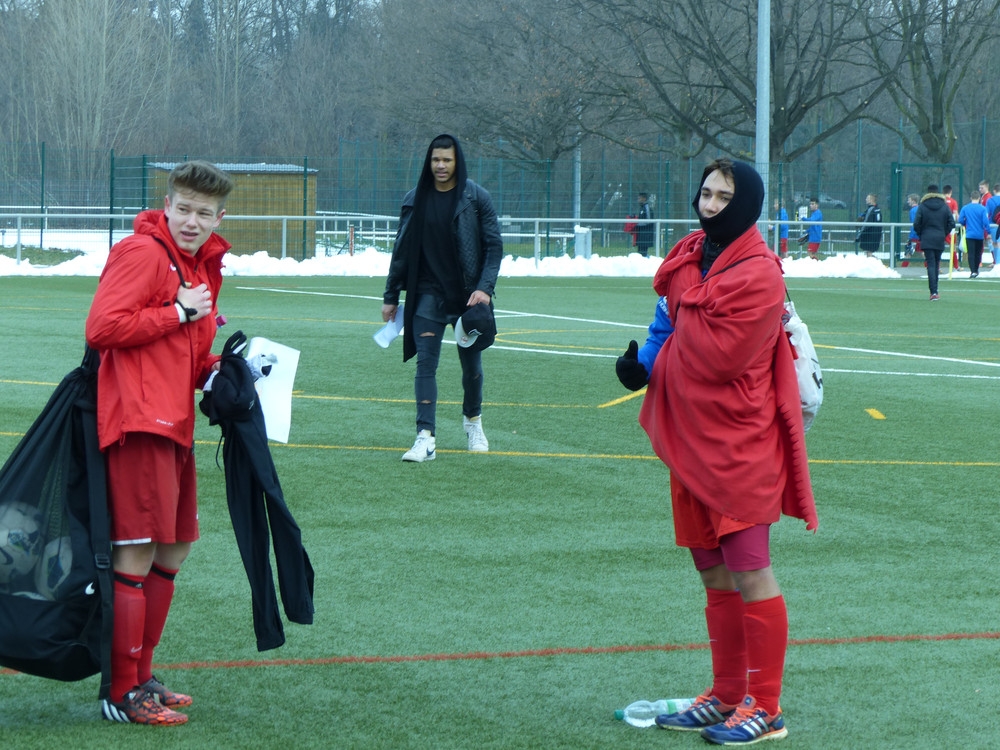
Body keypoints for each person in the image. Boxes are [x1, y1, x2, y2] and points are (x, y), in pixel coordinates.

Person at [614, 158, 817, 745]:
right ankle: (728, 693)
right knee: (713, 572)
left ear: (746, 203)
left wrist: (669, 352)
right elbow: (665, 328)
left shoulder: (760, 273)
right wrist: (641, 367)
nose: (710, 204)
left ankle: (767, 708)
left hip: (740, 442)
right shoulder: (686, 257)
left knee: (751, 571)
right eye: (705, 192)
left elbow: (717, 356)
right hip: (692, 439)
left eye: (724, 196)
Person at [86, 161, 235, 725]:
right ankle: (122, 691)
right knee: (138, 550)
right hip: (138, 421)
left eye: (205, 212)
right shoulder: (143, 253)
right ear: (166, 204)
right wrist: (176, 312)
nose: (192, 220)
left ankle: (142, 675)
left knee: (173, 551)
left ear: (221, 216)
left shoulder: (200, 267)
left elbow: (189, 356)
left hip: (175, 424)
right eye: (184, 208)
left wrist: (224, 371)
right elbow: (102, 327)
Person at [382, 134, 503, 462]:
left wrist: (485, 289)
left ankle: (473, 421)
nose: (441, 165)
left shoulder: (476, 198)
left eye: (447, 160)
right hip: (427, 296)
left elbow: (494, 247)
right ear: (429, 161)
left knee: (472, 367)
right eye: (436, 159)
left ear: (457, 161)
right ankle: (425, 438)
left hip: (467, 299)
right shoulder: (415, 199)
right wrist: (391, 295)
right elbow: (401, 251)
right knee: (425, 365)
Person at [913, 184, 956, 300]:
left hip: (927, 238)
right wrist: (943, 232)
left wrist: (921, 234)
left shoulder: (922, 206)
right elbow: (952, 223)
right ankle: (935, 290)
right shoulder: (944, 206)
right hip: (939, 238)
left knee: (930, 264)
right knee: (936, 264)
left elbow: (916, 223)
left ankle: (933, 292)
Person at [959, 190, 991, 278]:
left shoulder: (965, 208)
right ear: (979, 198)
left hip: (969, 234)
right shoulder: (983, 209)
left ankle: (972, 271)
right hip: (979, 235)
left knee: (971, 253)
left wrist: (965, 223)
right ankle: (976, 270)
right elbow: (985, 222)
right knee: (978, 253)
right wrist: (989, 232)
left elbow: (961, 220)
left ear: (970, 198)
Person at [635, 191, 655, 257]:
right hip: (641, 235)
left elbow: (648, 221)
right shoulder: (642, 208)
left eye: (639, 198)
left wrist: (637, 224)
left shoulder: (646, 208)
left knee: (643, 253)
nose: (638, 200)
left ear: (644, 198)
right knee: (640, 252)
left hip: (645, 235)